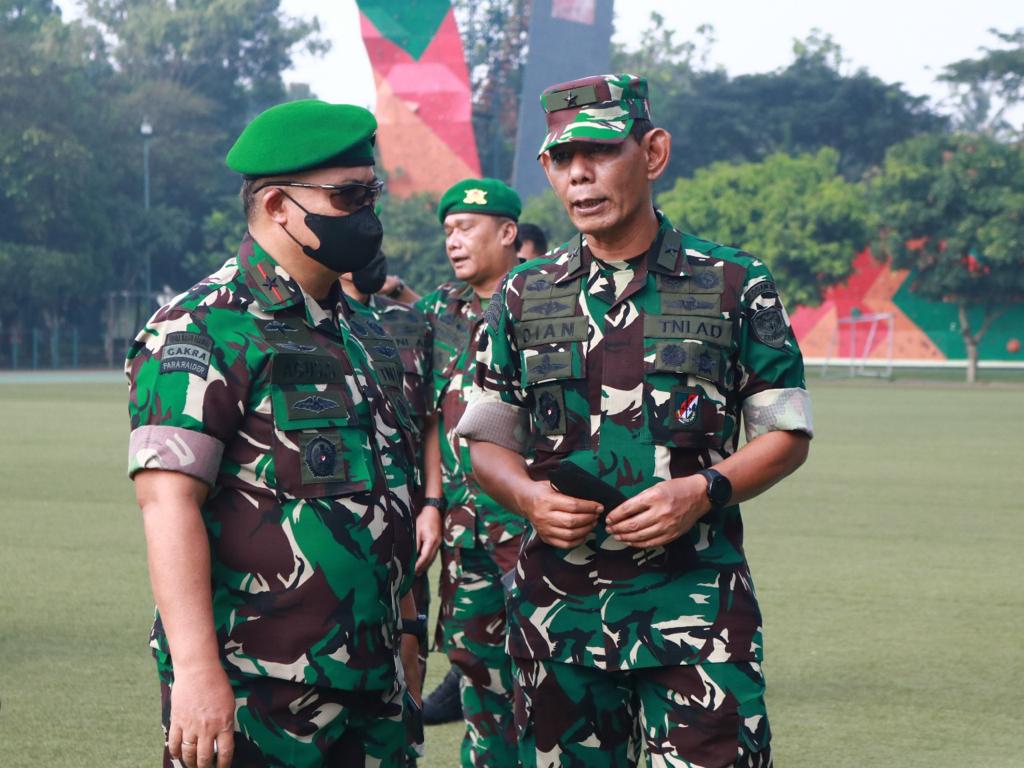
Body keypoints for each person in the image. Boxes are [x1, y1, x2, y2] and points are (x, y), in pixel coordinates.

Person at [456, 74, 814, 767]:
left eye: (599, 152)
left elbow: (786, 432)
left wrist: (703, 491)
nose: (579, 175)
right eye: (562, 158)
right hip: (558, 618)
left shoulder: (733, 282)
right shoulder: (523, 294)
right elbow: (488, 441)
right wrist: (527, 497)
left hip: (698, 611)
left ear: (652, 153)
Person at [126, 99, 422, 768]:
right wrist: (197, 673)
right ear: (279, 206)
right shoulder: (205, 326)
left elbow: (385, 495)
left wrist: (407, 634)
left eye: (370, 193)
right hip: (258, 685)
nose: (367, 214)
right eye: (347, 196)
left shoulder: (365, 331)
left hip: (372, 683)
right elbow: (168, 504)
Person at [415, 178, 527, 767]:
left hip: (531, 523)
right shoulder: (438, 312)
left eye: (466, 228)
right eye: (448, 231)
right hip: (463, 526)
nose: (453, 241)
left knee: (549, 668)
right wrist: (433, 504)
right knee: (476, 667)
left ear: (507, 232)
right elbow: (432, 417)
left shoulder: (546, 299)